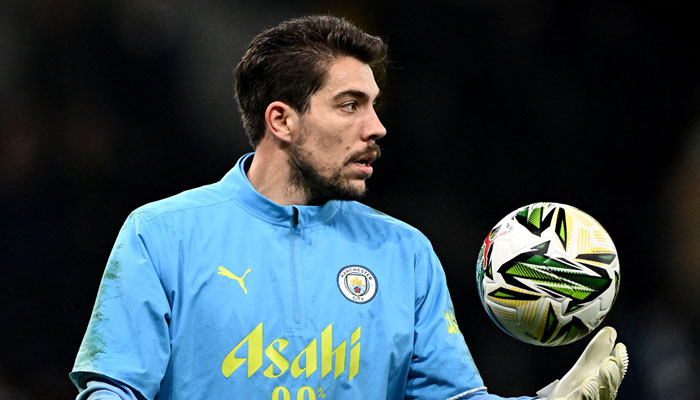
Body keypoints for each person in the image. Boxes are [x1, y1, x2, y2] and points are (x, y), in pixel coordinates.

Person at [70, 15, 628, 400]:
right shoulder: (162, 235)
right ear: (281, 120)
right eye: (349, 105)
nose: (377, 127)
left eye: (375, 106)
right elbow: (114, 387)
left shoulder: (404, 252)